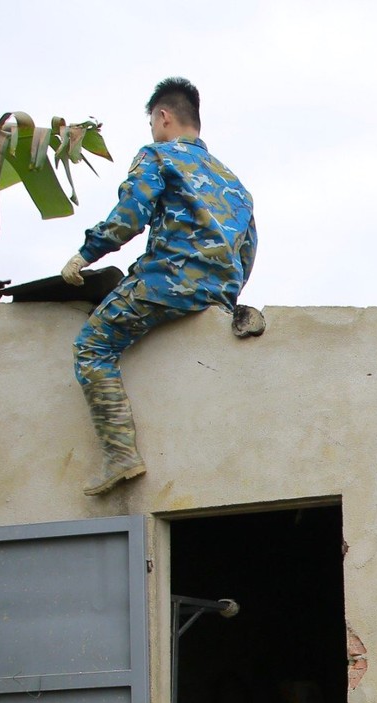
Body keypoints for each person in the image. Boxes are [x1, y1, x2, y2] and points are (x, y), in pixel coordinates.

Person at [60, 77, 257, 495]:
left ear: (162, 116)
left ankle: (120, 454)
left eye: (153, 123)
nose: (152, 130)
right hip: (218, 291)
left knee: (92, 347)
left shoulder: (157, 155)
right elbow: (248, 249)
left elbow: (130, 214)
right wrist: (227, 296)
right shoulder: (234, 183)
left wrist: (85, 254)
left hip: (166, 281)